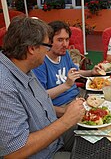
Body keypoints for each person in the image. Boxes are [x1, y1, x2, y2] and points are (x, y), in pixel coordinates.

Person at [0, 16, 86, 158]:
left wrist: (66, 112)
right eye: (47, 45)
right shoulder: (4, 86)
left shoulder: (24, 66)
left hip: (56, 138)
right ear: (32, 48)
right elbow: (14, 152)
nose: (48, 51)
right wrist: (66, 121)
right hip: (46, 153)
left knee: (103, 134)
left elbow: (40, 106)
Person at [33, 21, 101, 116]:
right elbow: (40, 97)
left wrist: (91, 72)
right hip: (62, 106)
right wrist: (66, 85)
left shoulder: (64, 54)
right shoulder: (40, 63)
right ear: (48, 41)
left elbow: (75, 72)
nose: (65, 44)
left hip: (78, 96)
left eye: (67, 39)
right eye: (60, 40)